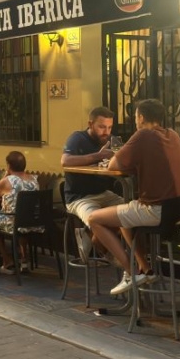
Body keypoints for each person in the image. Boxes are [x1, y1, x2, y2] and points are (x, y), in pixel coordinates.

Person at [87, 99, 180, 295]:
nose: (134, 119)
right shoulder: (174, 135)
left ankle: (131, 272)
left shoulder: (143, 134)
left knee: (94, 219)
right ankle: (146, 269)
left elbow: (113, 166)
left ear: (141, 117)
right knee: (125, 215)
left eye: (135, 116)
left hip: (157, 209)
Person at [61, 106, 120, 265]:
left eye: (109, 127)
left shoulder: (110, 140)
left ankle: (91, 237)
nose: (106, 131)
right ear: (90, 124)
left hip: (104, 193)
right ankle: (115, 256)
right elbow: (65, 161)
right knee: (99, 220)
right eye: (101, 127)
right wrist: (98, 156)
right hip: (79, 197)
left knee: (129, 211)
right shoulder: (77, 138)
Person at [0, 150, 40, 274]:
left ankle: (7, 261)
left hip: (14, 222)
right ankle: (24, 260)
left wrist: (5, 176)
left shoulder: (7, 181)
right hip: (33, 222)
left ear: (8, 165)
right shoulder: (34, 179)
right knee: (21, 223)